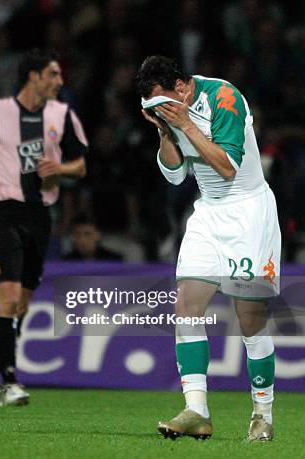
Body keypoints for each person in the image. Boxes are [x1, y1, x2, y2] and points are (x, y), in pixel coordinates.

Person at [137, 55, 280, 441]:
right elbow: (174, 174)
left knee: (249, 319)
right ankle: (197, 410)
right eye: (152, 107)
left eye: (163, 101)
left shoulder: (224, 97)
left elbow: (228, 166)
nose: (161, 109)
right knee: (186, 305)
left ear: (182, 87)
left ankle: (262, 413)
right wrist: (166, 131)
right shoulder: (172, 112)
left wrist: (185, 124)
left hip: (249, 212)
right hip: (208, 213)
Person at [0, 49, 88, 406]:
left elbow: (81, 166)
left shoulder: (62, 115)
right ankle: (10, 381)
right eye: (53, 74)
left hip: (40, 215)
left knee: (23, 306)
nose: (60, 82)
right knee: (9, 300)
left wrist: (59, 169)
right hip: (5, 211)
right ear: (34, 76)